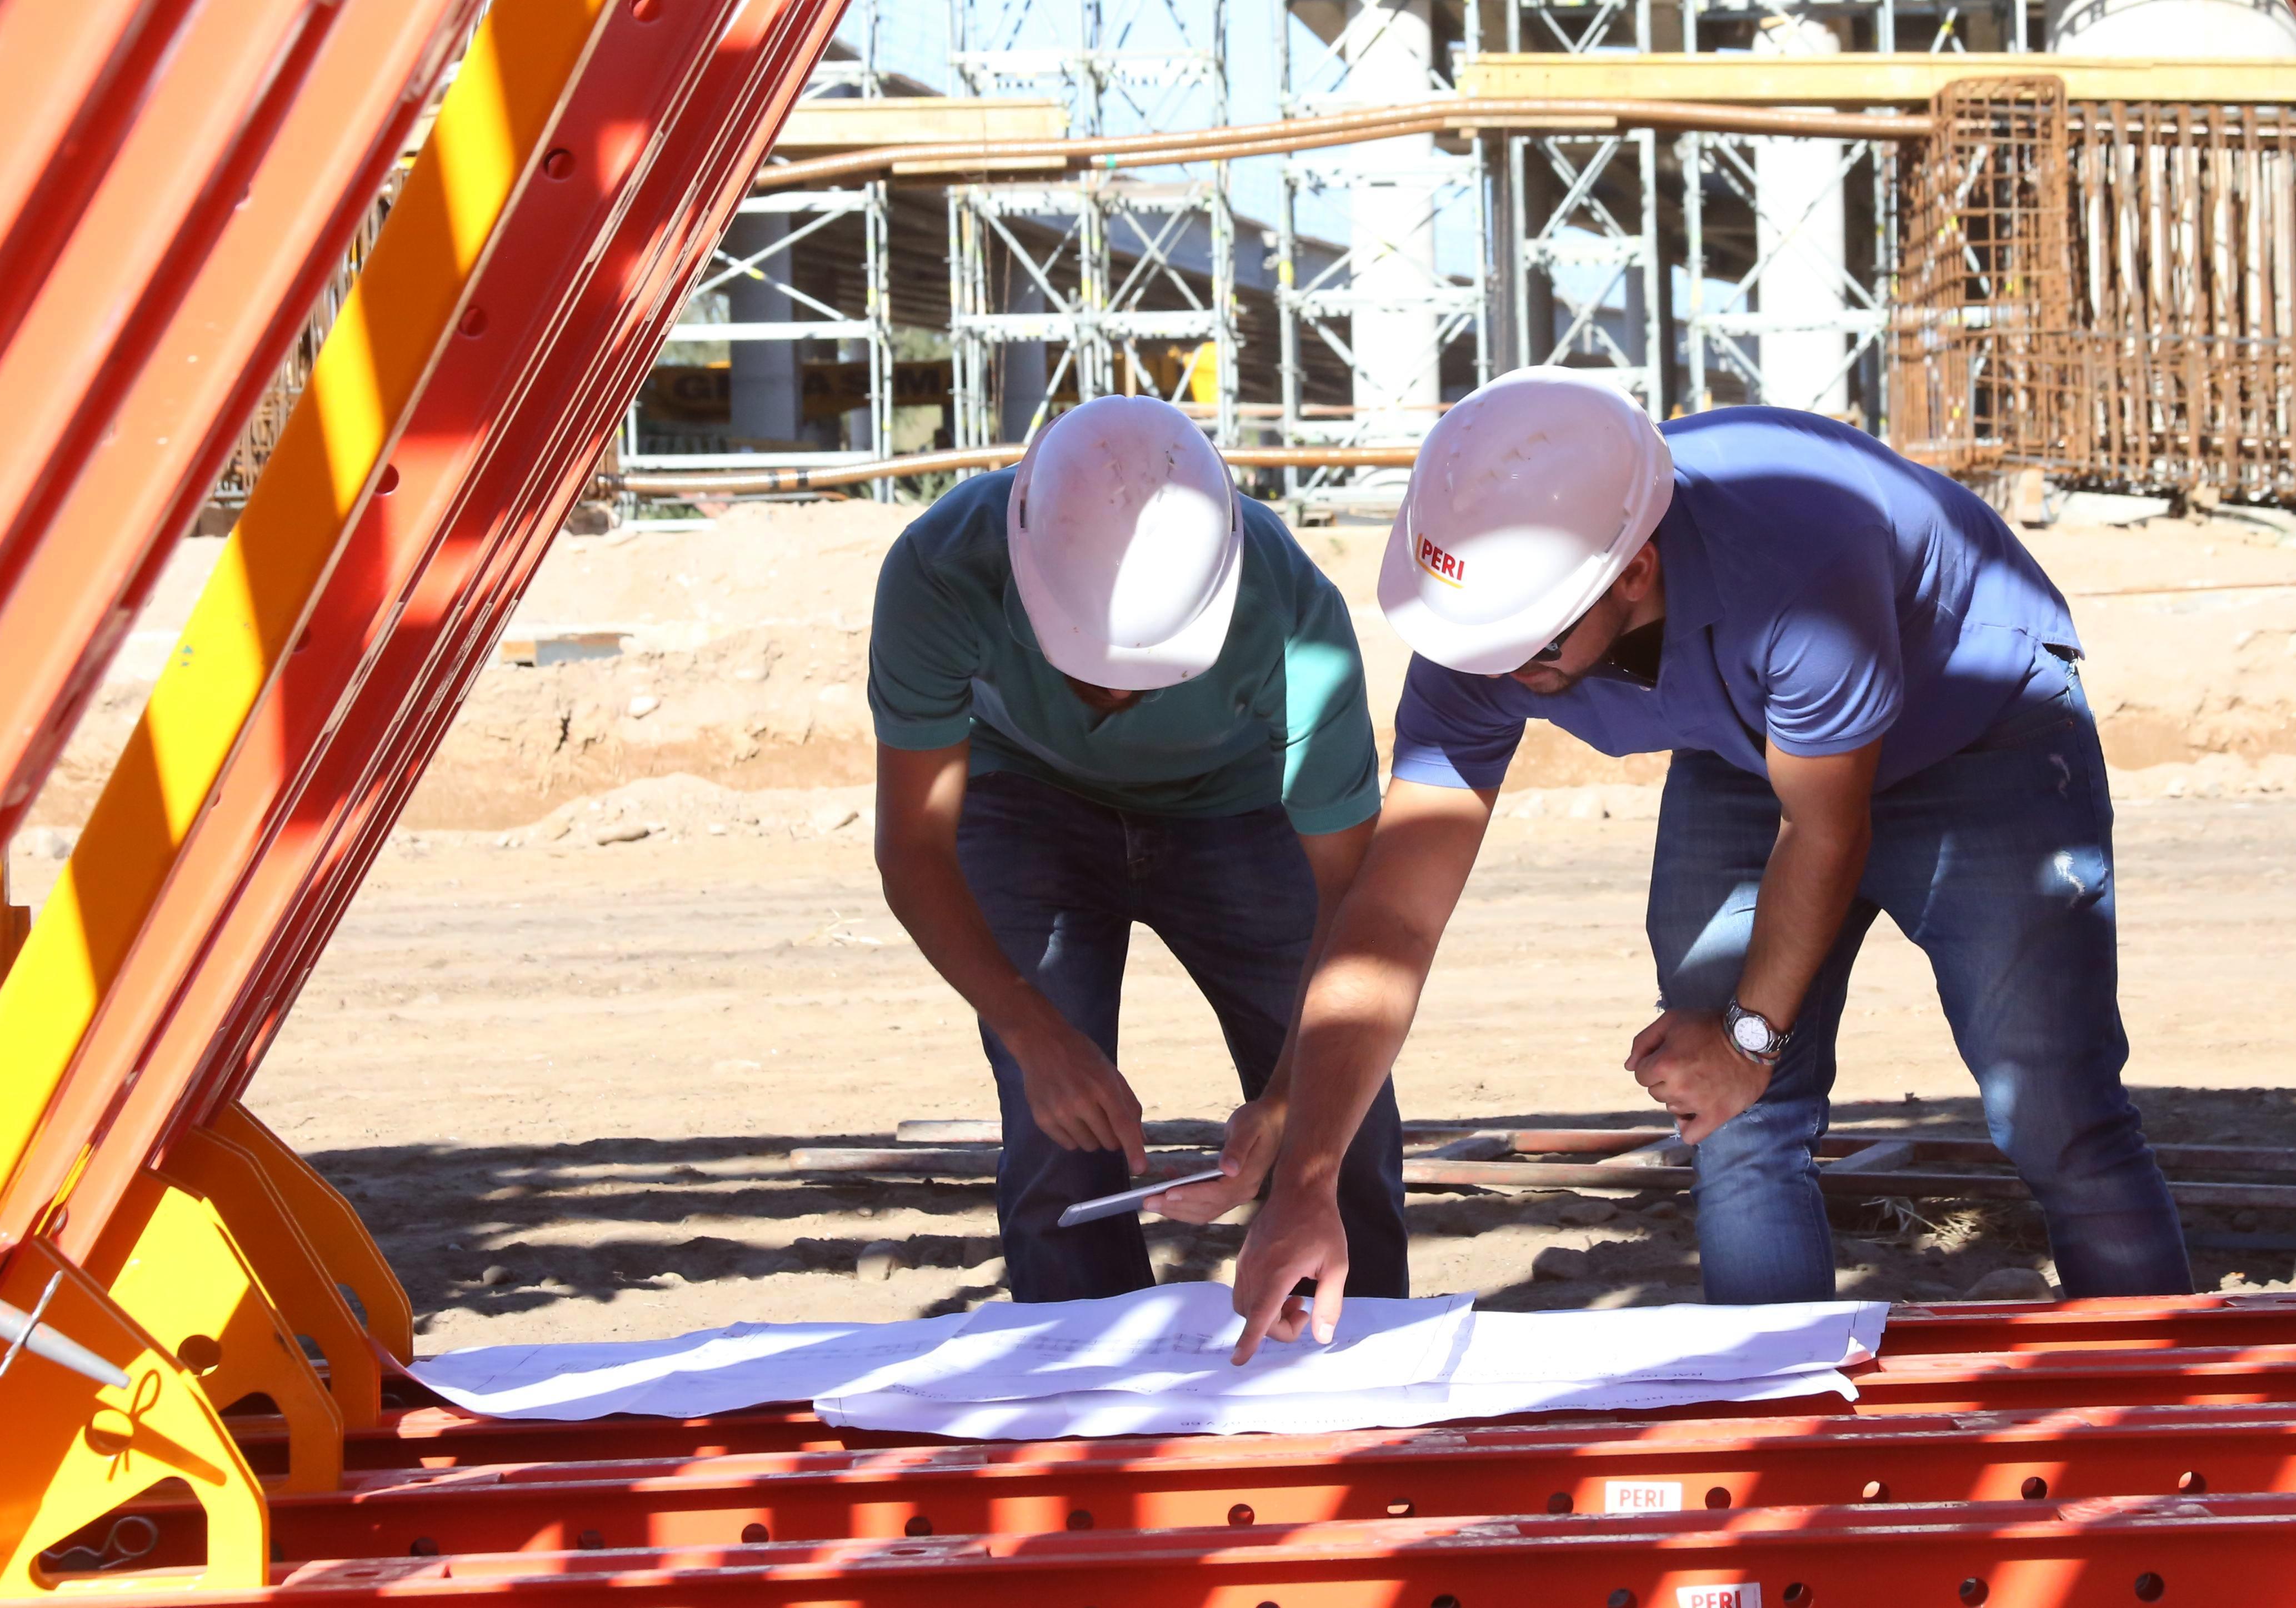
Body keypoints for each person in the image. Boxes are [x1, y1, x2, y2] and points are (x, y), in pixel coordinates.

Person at [1156, 368, 2188, 1352]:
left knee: (2054, 1109)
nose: (1508, 671)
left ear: (1636, 566)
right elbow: (1392, 918)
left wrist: (1747, 1034)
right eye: (1489, 646)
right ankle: (1776, 1446)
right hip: (1752, 752)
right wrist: (1307, 1180)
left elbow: (1827, 831)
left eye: (1537, 647)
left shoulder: (1797, 558)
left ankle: (2165, 1410)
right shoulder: (1490, 627)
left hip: (1979, 736)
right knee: (1729, 1119)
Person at [866, 393, 1405, 1303]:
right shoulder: (942, 566)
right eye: (1086, 665)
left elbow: (1360, 905)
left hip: (1241, 809)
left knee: (1338, 1112)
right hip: (1027, 799)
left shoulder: (1295, 621)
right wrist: (1033, 1031)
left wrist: (1286, 1105)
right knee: (1058, 1133)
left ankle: (1355, 1358)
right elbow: (913, 849)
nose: (1111, 696)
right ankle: (1078, 1395)